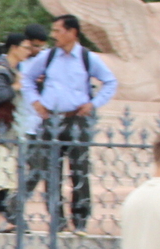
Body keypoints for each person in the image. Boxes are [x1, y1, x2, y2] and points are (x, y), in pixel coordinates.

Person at [17, 14, 119, 233]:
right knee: (50, 171)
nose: (54, 35)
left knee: (79, 169)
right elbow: (27, 78)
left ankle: (80, 219)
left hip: (76, 118)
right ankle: (58, 219)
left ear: (72, 32)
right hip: (51, 119)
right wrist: (35, 102)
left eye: (58, 31)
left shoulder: (86, 57)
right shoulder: (48, 56)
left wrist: (94, 103)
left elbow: (110, 81)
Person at [0, 28, 42, 231]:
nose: (28, 52)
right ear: (14, 48)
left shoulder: (8, 70)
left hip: (2, 132)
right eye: (25, 48)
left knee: (1, 177)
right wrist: (16, 87)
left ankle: (0, 218)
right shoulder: (1, 70)